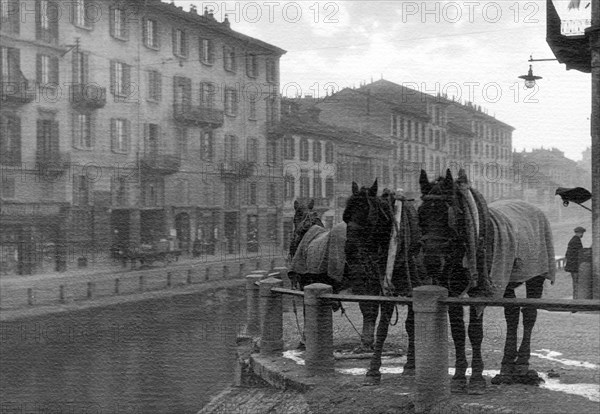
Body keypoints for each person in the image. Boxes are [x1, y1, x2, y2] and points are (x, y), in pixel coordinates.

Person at [565, 227, 585, 299]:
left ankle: (575, 298)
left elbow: (567, 254)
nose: (582, 234)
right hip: (575, 266)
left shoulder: (572, 240)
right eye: (582, 233)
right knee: (577, 283)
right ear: (580, 233)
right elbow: (580, 253)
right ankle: (576, 299)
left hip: (572, 266)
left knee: (575, 283)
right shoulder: (577, 240)